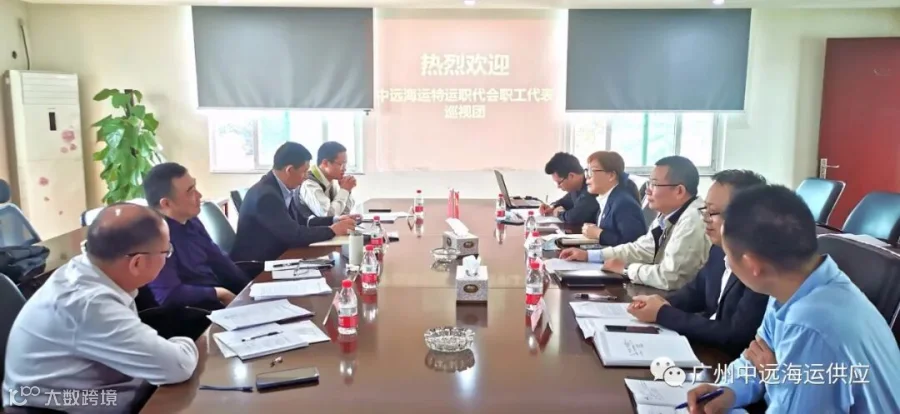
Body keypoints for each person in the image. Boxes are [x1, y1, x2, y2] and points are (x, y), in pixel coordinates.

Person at [686, 185, 900, 414]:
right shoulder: (796, 284)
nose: (727, 262)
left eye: (728, 256)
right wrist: (727, 391)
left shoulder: (812, 328)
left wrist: (775, 379)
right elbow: (755, 358)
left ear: (752, 265)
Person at [2, 204, 199, 413]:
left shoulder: (88, 268)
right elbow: (177, 367)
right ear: (137, 263)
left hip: (75, 391)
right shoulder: (90, 303)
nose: (167, 257)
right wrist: (184, 341)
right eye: (166, 252)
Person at [627, 170, 769, 357]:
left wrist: (663, 313)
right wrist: (662, 303)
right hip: (708, 348)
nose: (705, 218)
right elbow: (696, 291)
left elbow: (735, 335)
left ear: (745, 217)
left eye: (713, 212)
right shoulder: (718, 249)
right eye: (705, 210)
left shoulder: (761, 265)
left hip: (731, 361)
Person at [559, 156, 709, 291]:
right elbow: (641, 249)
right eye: (649, 183)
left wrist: (626, 270)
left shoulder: (693, 221)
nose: (648, 191)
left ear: (679, 191)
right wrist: (589, 255)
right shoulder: (667, 215)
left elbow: (671, 277)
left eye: (654, 184)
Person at [143, 162, 249, 310]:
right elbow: (168, 295)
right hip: (195, 313)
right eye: (190, 191)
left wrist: (250, 289)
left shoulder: (191, 220)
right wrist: (219, 293)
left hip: (221, 300)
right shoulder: (153, 237)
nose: (199, 195)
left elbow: (219, 259)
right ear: (166, 203)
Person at [231, 142, 357, 263]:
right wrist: (332, 230)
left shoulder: (280, 188)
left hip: (278, 253)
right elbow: (294, 235)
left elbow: (303, 222)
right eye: (304, 171)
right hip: (259, 264)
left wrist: (334, 220)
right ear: (289, 170)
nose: (306, 176)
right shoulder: (267, 196)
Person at [580, 151, 645, 246]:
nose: (587, 177)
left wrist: (599, 233)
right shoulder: (608, 198)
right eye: (586, 171)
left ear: (611, 175)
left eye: (591, 171)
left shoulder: (624, 204)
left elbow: (633, 245)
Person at [539, 152, 599, 227]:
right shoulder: (575, 188)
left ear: (571, 176)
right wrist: (552, 207)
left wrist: (558, 213)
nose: (558, 187)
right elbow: (564, 201)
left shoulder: (591, 188)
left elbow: (574, 217)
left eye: (559, 182)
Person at [299, 141, 356, 218]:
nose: (344, 169)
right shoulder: (309, 184)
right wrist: (344, 190)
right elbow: (328, 216)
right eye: (341, 164)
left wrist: (348, 191)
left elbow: (344, 212)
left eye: (345, 164)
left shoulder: (331, 182)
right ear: (325, 163)